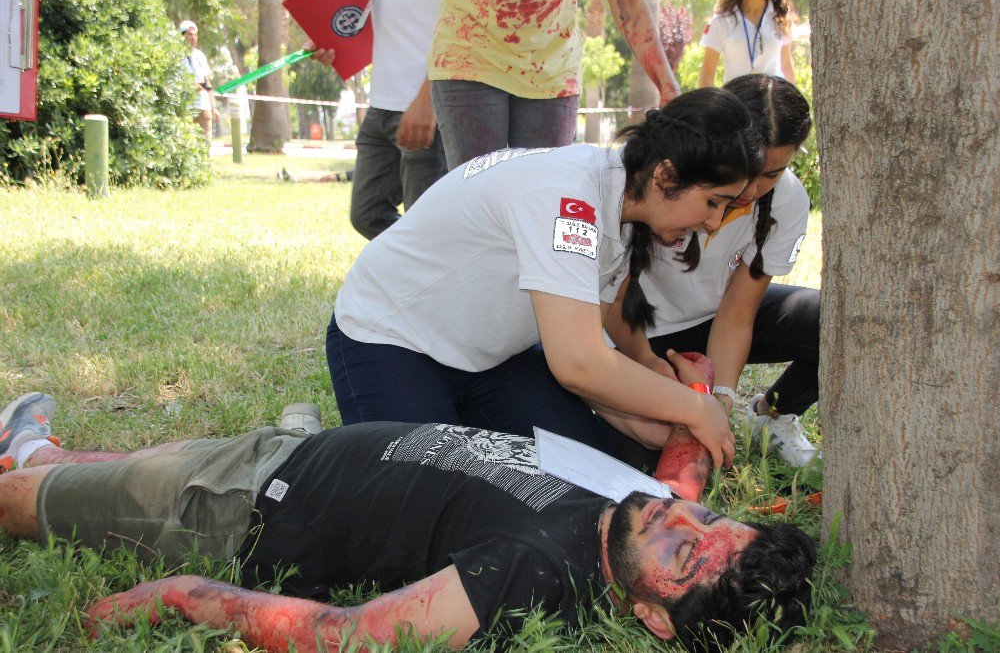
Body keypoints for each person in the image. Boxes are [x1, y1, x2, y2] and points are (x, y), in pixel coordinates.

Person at [0, 392, 816, 650]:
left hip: (231, 510)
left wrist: (184, 595)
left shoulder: (536, 571)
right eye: (713, 521)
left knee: (22, 509)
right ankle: (34, 450)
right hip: (296, 452)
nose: (686, 518)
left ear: (653, 619)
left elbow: (348, 636)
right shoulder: (639, 513)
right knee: (107, 466)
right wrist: (696, 405)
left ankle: (27, 475)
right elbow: (686, 471)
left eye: (690, 553)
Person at [327, 88, 764, 469]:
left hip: (494, 358)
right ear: (665, 175)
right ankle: (303, 446)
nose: (714, 222)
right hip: (393, 339)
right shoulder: (568, 199)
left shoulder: (627, 200)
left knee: (580, 478)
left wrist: (644, 406)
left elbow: (597, 327)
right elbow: (578, 363)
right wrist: (695, 408)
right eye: (713, 202)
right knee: (426, 496)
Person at [604, 74, 819, 467]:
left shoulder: (787, 201)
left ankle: (771, 418)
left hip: (716, 323)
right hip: (635, 333)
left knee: (827, 321)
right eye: (751, 168)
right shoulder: (664, 178)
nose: (752, 190)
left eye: (772, 174)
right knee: (645, 456)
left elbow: (738, 313)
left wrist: (721, 397)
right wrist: (650, 372)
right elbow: (611, 299)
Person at [429, 0, 682, 170]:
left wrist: (666, 83)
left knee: (541, 198)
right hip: (471, 53)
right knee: (477, 197)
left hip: (553, 66)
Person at [308, 0, 448, 240]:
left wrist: (429, 101)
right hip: (382, 105)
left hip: (427, 109)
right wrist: (329, 40)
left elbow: (466, 34)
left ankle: (440, 266)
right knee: (368, 214)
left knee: (426, 227)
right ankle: (425, 261)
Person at [698, 0, 795, 88]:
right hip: (735, 100)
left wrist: (792, 102)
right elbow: (707, 74)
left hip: (772, 100)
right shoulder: (721, 22)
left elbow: (786, 66)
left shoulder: (782, 18)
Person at [179, 20, 220, 140]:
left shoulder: (200, 56)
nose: (193, 38)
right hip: (186, 107)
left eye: (195, 35)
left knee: (206, 143)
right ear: (182, 36)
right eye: (190, 35)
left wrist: (214, 107)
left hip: (203, 106)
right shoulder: (177, 56)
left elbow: (207, 83)